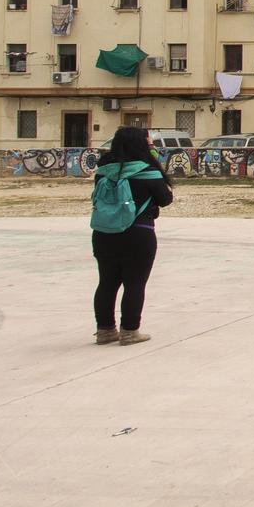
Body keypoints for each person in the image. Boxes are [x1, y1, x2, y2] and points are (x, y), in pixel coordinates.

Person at [90, 126, 172, 345]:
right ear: (142, 144)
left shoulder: (103, 171)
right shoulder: (147, 171)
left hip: (104, 233)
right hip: (138, 234)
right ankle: (130, 331)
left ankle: (105, 330)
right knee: (135, 283)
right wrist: (155, 159)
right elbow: (165, 199)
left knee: (107, 282)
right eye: (149, 142)